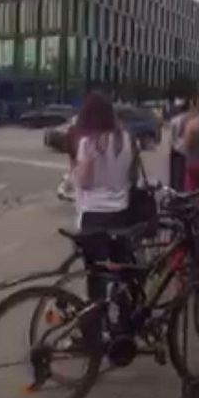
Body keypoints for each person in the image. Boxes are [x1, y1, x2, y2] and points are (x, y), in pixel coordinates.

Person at [72, 92, 138, 343]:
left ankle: (93, 333)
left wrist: (77, 172)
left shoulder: (88, 143)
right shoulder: (127, 140)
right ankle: (124, 326)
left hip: (93, 215)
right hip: (120, 213)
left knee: (96, 277)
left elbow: (85, 181)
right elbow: (131, 178)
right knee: (122, 271)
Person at [168, 99, 192, 191]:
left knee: (176, 174)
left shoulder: (174, 120)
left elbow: (172, 137)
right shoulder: (192, 119)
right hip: (189, 149)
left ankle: (175, 189)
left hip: (177, 149)